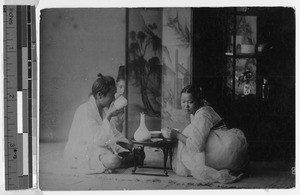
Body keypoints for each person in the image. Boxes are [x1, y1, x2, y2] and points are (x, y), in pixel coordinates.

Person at [162, 84, 248, 184]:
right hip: (222, 144)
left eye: (190, 102)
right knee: (188, 137)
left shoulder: (203, 114)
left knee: (189, 151)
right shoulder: (197, 111)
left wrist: (177, 135)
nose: (186, 105)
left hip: (225, 148)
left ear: (198, 101)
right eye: (183, 102)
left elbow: (197, 145)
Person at [64, 73, 132, 174]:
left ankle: (123, 160)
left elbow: (113, 133)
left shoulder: (104, 110)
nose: (114, 99)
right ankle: (121, 162)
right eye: (111, 95)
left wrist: (127, 143)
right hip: (82, 152)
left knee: (128, 149)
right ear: (100, 95)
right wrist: (108, 117)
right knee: (114, 161)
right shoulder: (85, 110)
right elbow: (97, 140)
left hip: (98, 147)